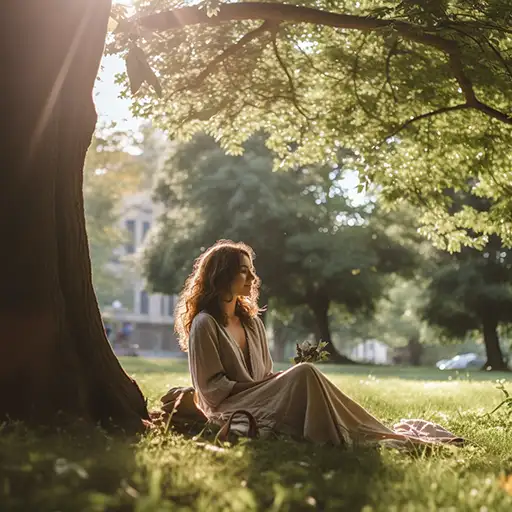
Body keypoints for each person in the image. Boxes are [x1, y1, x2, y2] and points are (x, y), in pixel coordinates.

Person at [174, 240, 463, 447]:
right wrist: (272, 385)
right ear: (221, 275)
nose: (252, 277)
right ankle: (374, 435)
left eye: (252, 270)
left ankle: (381, 432)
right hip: (230, 407)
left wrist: (277, 382)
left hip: (259, 397)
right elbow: (211, 391)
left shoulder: (253, 323)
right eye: (243, 271)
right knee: (305, 374)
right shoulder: (205, 324)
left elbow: (265, 376)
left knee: (304, 373)